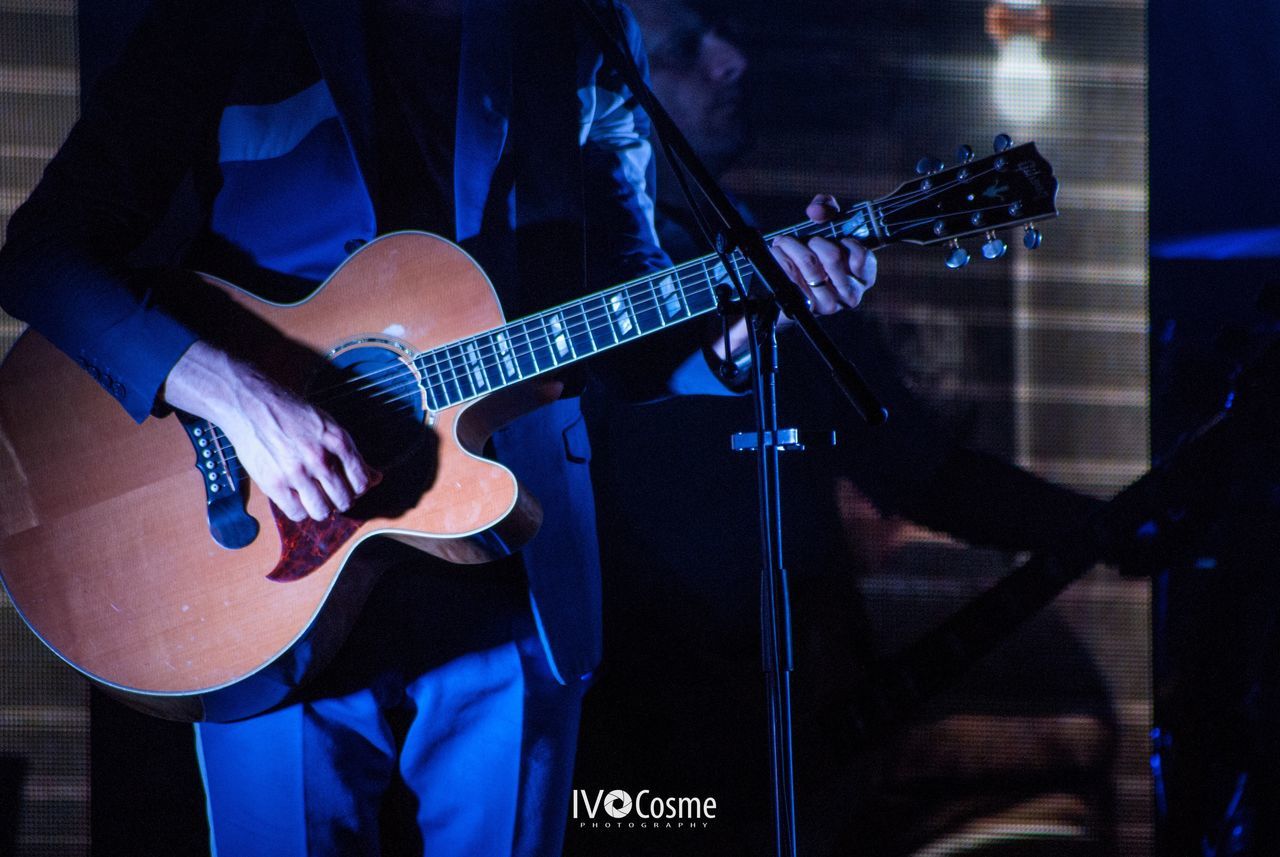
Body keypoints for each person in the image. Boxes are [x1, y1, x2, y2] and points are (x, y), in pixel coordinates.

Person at [0, 1, 875, 854]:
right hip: (255, 561)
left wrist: (734, 327)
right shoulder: (227, 17)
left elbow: (626, 307)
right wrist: (238, 397)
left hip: (511, 566)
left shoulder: (579, 26)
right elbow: (42, 260)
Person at [567, 2, 1119, 854]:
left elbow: (919, 470)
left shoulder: (785, 263)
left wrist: (1097, 525)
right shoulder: (545, 272)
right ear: (605, 96)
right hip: (610, 723)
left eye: (725, 31)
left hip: (785, 717)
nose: (731, 59)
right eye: (682, 49)